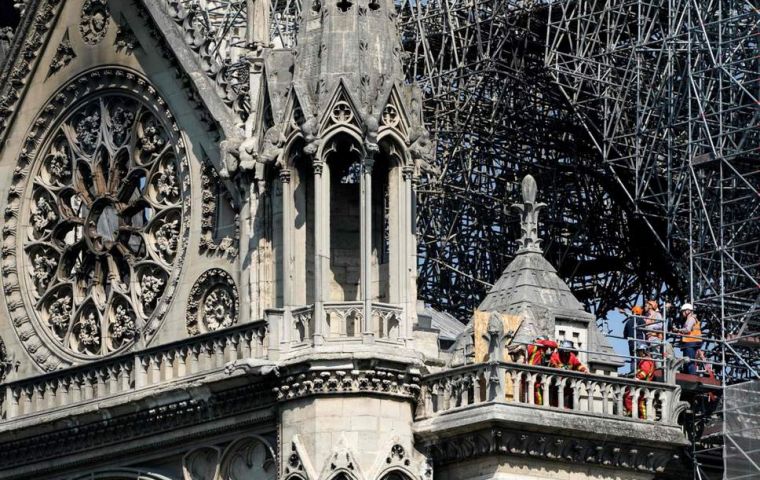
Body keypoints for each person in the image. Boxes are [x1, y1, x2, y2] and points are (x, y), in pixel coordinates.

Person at [624, 344, 656, 418]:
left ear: (644, 351)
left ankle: (638, 416)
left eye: (639, 351)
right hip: (643, 384)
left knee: (634, 400)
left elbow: (644, 372)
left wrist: (638, 377)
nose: (638, 353)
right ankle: (634, 414)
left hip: (644, 385)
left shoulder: (646, 360)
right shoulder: (644, 360)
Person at [526, 336, 557, 404]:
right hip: (532, 371)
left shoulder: (539, 349)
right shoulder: (536, 345)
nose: (546, 349)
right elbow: (554, 344)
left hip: (536, 373)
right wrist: (543, 342)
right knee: (535, 394)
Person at [675, 303, 702, 375]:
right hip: (689, 343)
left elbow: (688, 330)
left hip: (691, 343)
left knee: (689, 361)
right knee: (687, 361)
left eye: (683, 311)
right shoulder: (689, 319)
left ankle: (691, 376)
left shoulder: (691, 319)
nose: (682, 313)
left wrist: (679, 330)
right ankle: (688, 374)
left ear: (688, 311)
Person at [622, 305, 646, 371]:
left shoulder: (628, 322)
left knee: (633, 358)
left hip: (631, 342)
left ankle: (633, 372)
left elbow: (625, 334)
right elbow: (645, 330)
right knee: (641, 357)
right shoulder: (641, 320)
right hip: (640, 341)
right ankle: (641, 371)